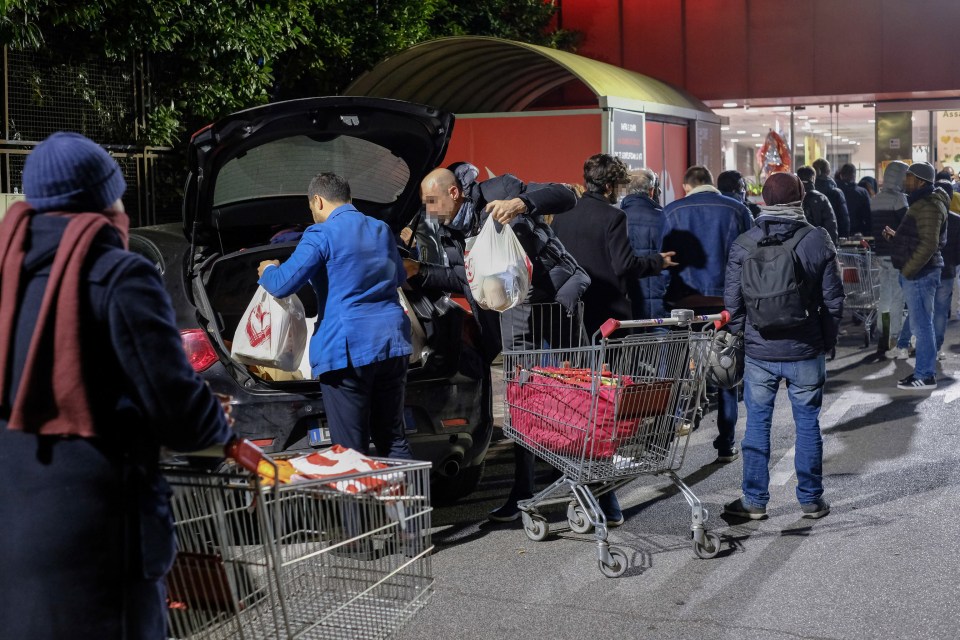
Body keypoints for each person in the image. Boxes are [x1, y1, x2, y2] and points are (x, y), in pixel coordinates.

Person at [0, 132, 234, 639]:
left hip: (14, 527)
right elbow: (175, 403)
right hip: (99, 533)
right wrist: (219, 428)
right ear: (104, 200)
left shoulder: (7, 276)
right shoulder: (117, 275)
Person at [413, 165, 589, 523]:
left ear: (453, 193)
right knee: (522, 396)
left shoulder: (499, 189)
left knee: (576, 388)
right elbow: (463, 277)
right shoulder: (444, 232)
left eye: (432, 200)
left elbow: (566, 194)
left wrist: (521, 203)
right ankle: (524, 490)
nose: (428, 210)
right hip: (514, 309)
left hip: (556, 296)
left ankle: (590, 482)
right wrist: (420, 273)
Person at [258, 172, 414, 456]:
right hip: (392, 345)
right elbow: (399, 278)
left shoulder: (321, 233)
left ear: (317, 201)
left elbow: (282, 284)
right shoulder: (380, 229)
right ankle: (405, 502)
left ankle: (361, 501)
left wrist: (267, 268)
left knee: (350, 451)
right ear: (349, 198)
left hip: (348, 352)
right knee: (392, 438)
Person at [722, 172, 844, 521]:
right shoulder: (817, 239)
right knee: (808, 424)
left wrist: (744, 341)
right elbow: (834, 301)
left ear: (765, 199)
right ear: (800, 197)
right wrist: (826, 341)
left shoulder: (745, 242)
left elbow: (733, 303)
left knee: (757, 424)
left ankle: (754, 501)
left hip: (760, 352)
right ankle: (810, 500)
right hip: (806, 349)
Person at [661, 165, 753, 464]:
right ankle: (726, 442)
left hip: (683, 300)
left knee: (676, 366)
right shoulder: (738, 210)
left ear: (686, 186)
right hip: (724, 301)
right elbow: (750, 256)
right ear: (711, 183)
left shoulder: (672, 211)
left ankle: (670, 431)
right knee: (726, 368)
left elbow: (663, 259)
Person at [552, 155, 677, 335]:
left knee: (575, 364)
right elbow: (624, 265)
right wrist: (657, 261)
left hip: (569, 310)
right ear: (609, 187)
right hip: (606, 313)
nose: (620, 193)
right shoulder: (614, 216)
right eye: (619, 186)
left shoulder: (563, 214)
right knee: (610, 363)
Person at [883, 162, 949, 390]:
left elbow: (929, 244)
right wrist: (897, 237)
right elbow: (920, 238)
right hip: (920, 273)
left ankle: (925, 375)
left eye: (908, 176)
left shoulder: (929, 205)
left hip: (921, 273)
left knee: (922, 327)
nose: (904, 180)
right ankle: (923, 372)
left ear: (920, 180)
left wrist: (909, 270)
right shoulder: (922, 202)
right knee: (922, 325)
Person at [895, 178, 960, 361]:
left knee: (920, 313)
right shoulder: (955, 220)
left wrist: (908, 269)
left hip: (925, 269)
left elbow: (923, 243)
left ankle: (906, 345)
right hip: (946, 272)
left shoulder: (926, 210)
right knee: (938, 313)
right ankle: (936, 349)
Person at [871, 161, 910, 355]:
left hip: (880, 254)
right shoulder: (900, 199)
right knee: (897, 297)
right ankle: (894, 336)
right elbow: (907, 225)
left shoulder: (876, 199)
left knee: (884, 297)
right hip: (896, 254)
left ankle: (882, 335)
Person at [620, 167, 669, 320]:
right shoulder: (666, 218)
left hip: (627, 302)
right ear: (651, 191)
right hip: (660, 301)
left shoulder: (615, 218)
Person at [797, 165, 839, 244]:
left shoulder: (790, 197)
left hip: (795, 248)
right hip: (817, 245)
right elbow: (830, 226)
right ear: (813, 178)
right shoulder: (821, 198)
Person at [812, 158, 851, 238]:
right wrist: (843, 238)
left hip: (810, 238)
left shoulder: (807, 192)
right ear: (828, 171)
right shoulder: (836, 192)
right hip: (831, 238)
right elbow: (844, 219)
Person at [837, 163, 872, 236]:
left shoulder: (834, 191)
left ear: (841, 175)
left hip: (839, 232)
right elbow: (868, 215)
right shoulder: (862, 192)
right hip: (857, 233)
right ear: (854, 175)